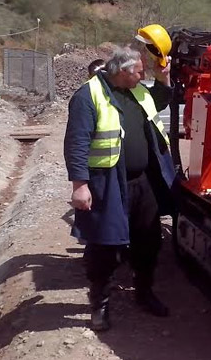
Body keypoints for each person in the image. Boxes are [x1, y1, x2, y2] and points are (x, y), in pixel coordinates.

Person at [64, 45, 175, 332]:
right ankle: (99, 303)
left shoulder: (136, 91)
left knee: (148, 239)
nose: (142, 76)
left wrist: (164, 79)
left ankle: (144, 292)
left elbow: (158, 102)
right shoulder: (88, 95)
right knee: (105, 244)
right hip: (109, 182)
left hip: (143, 181)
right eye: (139, 72)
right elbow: (76, 142)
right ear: (123, 72)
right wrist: (80, 185)